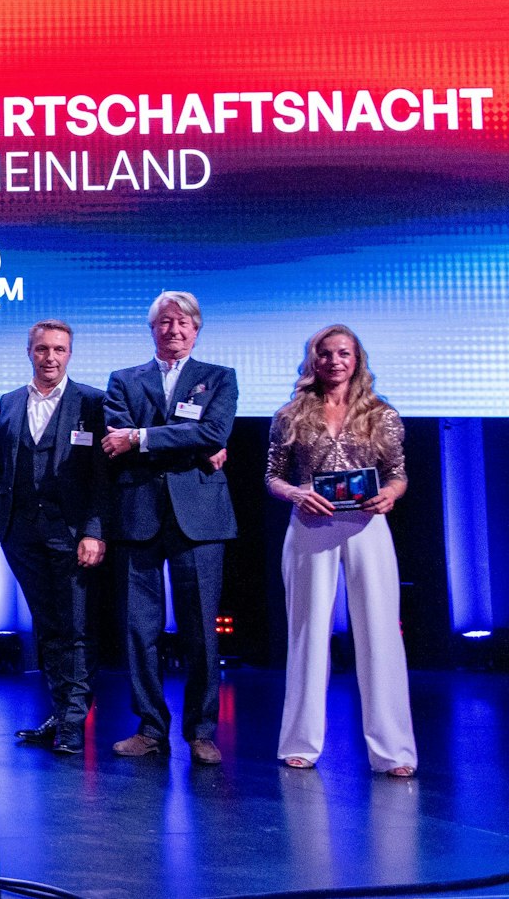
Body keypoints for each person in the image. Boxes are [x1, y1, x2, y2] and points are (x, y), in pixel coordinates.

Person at [265, 325, 415, 776]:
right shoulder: (291, 414)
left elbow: (398, 473)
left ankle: (393, 751)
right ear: (313, 360)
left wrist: (392, 493)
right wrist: (295, 494)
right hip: (311, 522)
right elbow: (273, 474)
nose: (334, 361)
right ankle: (300, 743)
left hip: (367, 524)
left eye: (343, 353)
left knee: (381, 635)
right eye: (325, 354)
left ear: (357, 359)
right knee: (307, 633)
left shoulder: (382, 414)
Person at [103, 291, 238, 766]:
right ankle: (150, 728)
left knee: (201, 628)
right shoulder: (123, 381)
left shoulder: (219, 379)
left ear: (196, 329)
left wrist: (142, 437)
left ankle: (201, 730)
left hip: (199, 517)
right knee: (140, 629)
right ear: (152, 329)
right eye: (164, 322)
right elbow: (112, 439)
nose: (173, 330)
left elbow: (212, 434)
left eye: (182, 323)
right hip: (138, 514)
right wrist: (184, 445)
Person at [0, 320, 108, 755]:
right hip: (21, 534)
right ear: (30, 352)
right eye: (42, 349)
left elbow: (102, 476)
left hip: (73, 534)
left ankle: (74, 721)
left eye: (59, 349)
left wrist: (94, 531)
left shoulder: (93, 402)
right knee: (48, 628)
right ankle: (61, 712)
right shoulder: (9, 403)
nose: (50, 357)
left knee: (75, 627)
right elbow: (1, 468)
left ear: (70, 354)